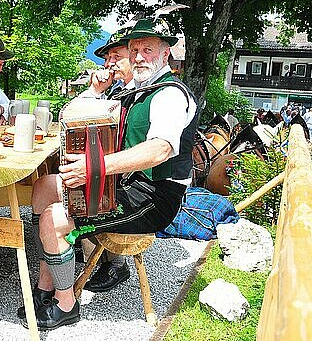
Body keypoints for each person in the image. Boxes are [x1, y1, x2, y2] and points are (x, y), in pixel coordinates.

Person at [19, 18, 199, 329]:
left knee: (53, 219)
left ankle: (65, 304)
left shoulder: (170, 95)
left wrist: (93, 170)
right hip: (125, 185)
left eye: (147, 50)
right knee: (45, 187)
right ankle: (46, 286)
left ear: (165, 54)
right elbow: (72, 116)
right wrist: (93, 91)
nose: (140, 56)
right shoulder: (136, 93)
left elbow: (160, 150)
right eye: (135, 50)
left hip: (154, 198)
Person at [75, 28, 134, 292]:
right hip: (112, 172)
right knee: (65, 182)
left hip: (133, 182)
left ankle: (113, 263)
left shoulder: (141, 92)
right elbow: (74, 116)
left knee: (74, 193)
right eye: (107, 58)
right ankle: (93, 256)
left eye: (116, 57)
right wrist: (95, 91)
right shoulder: (117, 92)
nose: (109, 64)